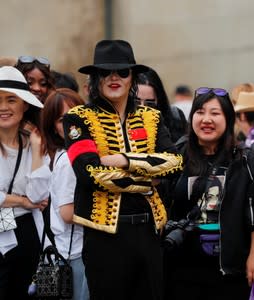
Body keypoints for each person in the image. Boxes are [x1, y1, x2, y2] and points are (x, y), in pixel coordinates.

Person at [63, 39, 183, 300]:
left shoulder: (152, 117)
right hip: (105, 237)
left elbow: (175, 164)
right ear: (96, 79)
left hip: (149, 231)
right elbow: (88, 173)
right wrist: (146, 181)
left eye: (122, 71)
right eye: (105, 72)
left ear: (133, 78)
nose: (114, 77)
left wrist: (125, 160)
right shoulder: (78, 118)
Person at [165, 87, 254, 300]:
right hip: (182, 263)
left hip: (230, 265)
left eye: (215, 113)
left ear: (228, 119)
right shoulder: (177, 157)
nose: (206, 119)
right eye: (200, 112)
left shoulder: (244, 160)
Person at [0, 66, 50, 299]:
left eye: (11, 100)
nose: (3, 107)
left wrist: (38, 148)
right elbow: (29, 200)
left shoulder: (34, 143)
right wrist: (22, 201)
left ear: (25, 104)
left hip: (25, 232)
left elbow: (39, 196)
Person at [41, 88, 88, 300]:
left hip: (72, 252)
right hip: (74, 255)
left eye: (77, 113)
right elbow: (67, 214)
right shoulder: (69, 160)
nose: (72, 123)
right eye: (62, 119)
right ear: (54, 128)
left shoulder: (72, 154)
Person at [136, 69, 188, 143]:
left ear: (159, 100)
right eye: (136, 102)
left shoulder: (175, 117)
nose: (142, 107)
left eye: (150, 103)